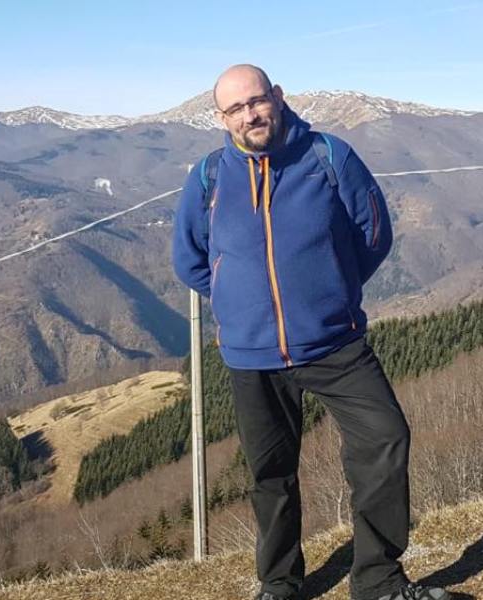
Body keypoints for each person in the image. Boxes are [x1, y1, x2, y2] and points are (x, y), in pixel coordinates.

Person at [172, 64, 453, 600]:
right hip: (252, 355)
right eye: (236, 108)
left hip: (335, 343)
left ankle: (378, 580)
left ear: (278, 97)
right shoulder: (208, 177)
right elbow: (191, 261)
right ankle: (279, 584)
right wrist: (240, 302)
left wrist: (330, 291)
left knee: (385, 439)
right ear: (221, 118)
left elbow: (373, 236)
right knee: (270, 473)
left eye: (257, 101)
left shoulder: (329, 156)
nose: (250, 115)